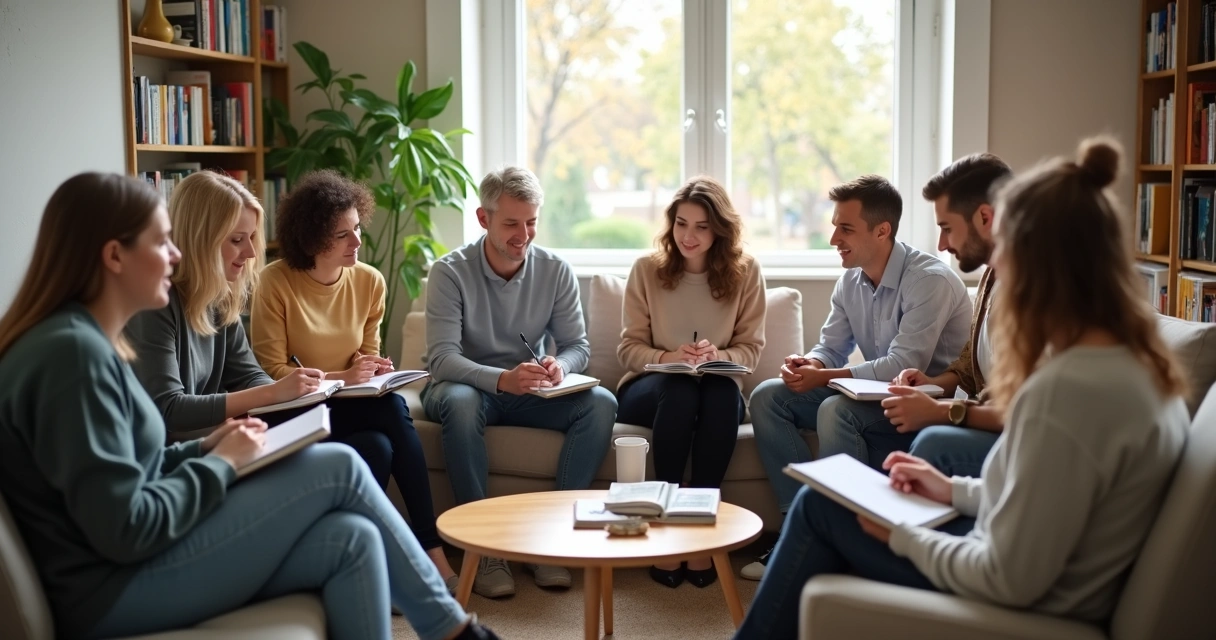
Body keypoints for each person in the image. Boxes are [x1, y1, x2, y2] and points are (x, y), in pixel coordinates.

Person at [0, 173, 498, 640]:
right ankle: (456, 631)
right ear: (114, 256)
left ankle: (451, 628)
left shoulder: (85, 342)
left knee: (353, 538)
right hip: (111, 588)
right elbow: (127, 528)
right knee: (340, 464)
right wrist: (220, 462)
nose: (175, 256)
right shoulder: (72, 357)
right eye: (160, 241)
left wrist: (206, 448)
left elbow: (137, 468)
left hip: (132, 561)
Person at [734, 137, 1191, 639]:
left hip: (1029, 604)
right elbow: (1033, 499)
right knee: (833, 503)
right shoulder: (1133, 367)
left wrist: (903, 537)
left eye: (1008, 260)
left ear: (1041, 265)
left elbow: (1007, 578)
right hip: (1031, 571)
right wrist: (950, 489)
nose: (998, 279)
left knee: (823, 509)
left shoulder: (1066, 395)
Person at [743, 175, 971, 579]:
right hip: (872, 397)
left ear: (882, 231)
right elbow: (830, 348)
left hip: (925, 403)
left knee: (835, 410)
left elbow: (902, 363)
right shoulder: (850, 280)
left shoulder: (929, 281)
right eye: (835, 226)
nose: (833, 238)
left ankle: (840, 540)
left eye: (845, 228)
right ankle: (799, 529)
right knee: (767, 396)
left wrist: (826, 375)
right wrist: (809, 363)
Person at [249, 170, 457, 588]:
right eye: (342, 235)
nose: (357, 242)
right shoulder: (275, 281)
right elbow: (270, 371)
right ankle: (427, 549)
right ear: (312, 239)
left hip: (352, 405)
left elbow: (368, 353)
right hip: (295, 409)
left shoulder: (369, 282)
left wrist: (376, 369)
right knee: (389, 422)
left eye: (357, 228)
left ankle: (380, 559)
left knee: (382, 438)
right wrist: (341, 376)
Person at [421, 166, 617, 599]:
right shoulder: (449, 272)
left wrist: (560, 366)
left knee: (601, 403)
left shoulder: (555, 270)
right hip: (463, 388)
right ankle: (484, 548)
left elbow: (577, 345)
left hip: (529, 390)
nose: (523, 234)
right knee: (463, 402)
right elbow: (442, 359)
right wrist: (501, 379)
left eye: (531, 222)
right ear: (483, 218)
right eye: (511, 223)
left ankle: (550, 542)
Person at [616, 176, 766, 588]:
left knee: (717, 390)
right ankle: (666, 525)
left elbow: (750, 351)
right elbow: (629, 349)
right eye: (681, 223)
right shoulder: (647, 270)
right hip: (649, 388)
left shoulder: (746, 272)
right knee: (681, 387)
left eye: (701, 226)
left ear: (720, 229)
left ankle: (700, 531)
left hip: (716, 387)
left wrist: (718, 356)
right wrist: (670, 358)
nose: (689, 235)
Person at [880, 153, 1013, 479]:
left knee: (932, 442)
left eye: (946, 228)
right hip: (987, 421)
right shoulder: (993, 275)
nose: (941, 244)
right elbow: (972, 363)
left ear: (986, 217)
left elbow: (1024, 411)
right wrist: (933, 384)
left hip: (1017, 439)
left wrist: (941, 411)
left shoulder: (1035, 288)